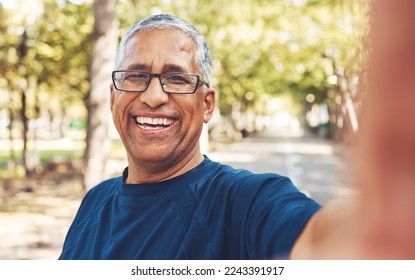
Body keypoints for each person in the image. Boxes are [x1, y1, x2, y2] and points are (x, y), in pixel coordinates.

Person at [60, 6, 415, 259]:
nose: (153, 96)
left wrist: (388, 216)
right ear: (112, 97)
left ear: (208, 104)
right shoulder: (95, 201)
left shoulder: (245, 201)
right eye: (136, 76)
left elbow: (321, 240)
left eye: (177, 78)